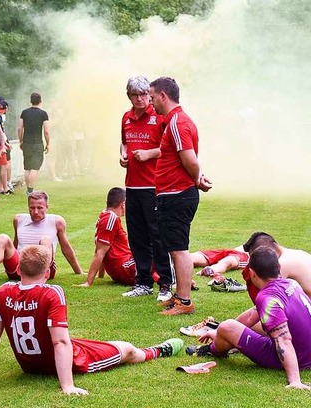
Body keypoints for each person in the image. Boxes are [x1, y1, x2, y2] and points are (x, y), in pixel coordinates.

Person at [0, 245, 184, 395]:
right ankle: (157, 351)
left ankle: (136, 349)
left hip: (30, 365)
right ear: (48, 273)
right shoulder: (52, 292)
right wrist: (67, 386)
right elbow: (60, 343)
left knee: (87, 342)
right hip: (64, 361)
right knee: (126, 349)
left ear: (18, 270)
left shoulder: (1, 293)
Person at [188, 247, 311, 390]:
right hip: (306, 350)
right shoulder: (291, 284)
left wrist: (295, 380)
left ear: (252, 273)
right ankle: (222, 338)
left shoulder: (267, 298)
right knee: (231, 327)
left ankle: (213, 349)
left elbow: (283, 339)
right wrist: (219, 333)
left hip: (299, 358)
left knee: (227, 326)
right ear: (278, 267)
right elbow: (252, 315)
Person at [149, 77, 212, 316]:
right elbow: (187, 161)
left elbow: (190, 160)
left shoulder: (176, 122)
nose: (152, 102)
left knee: (179, 249)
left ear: (163, 96)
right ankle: (179, 295)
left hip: (177, 195)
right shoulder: (176, 121)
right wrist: (197, 179)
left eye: (153, 97)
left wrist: (196, 179)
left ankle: (184, 302)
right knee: (175, 247)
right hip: (174, 194)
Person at [119, 76, 174, 302]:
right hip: (132, 185)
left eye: (143, 94)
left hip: (154, 184)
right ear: (129, 96)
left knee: (157, 235)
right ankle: (142, 282)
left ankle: (165, 283)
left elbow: (170, 148)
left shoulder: (159, 116)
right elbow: (124, 142)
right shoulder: (126, 118)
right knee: (137, 236)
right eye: (135, 95)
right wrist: (122, 155)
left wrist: (149, 154)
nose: (140, 99)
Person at [0, 191, 82, 287]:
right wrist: (9, 260)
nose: (36, 212)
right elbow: (15, 245)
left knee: (46, 240)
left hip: (43, 269)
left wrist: (78, 271)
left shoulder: (56, 221)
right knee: (2, 238)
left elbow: (66, 248)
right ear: (28, 207)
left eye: (40, 208)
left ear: (47, 207)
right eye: (32, 208)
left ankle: (39, 279)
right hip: (20, 267)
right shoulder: (19, 219)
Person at [75, 188, 158, 288]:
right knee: (161, 247)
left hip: (123, 267)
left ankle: (162, 277)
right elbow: (100, 252)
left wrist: (101, 276)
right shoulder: (111, 219)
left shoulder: (105, 216)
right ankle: (170, 281)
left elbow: (103, 249)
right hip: (125, 268)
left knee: (151, 251)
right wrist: (88, 282)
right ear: (123, 204)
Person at [18, 92, 50, 194]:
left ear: (30, 101)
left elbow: (20, 128)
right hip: (37, 143)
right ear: (40, 101)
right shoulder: (43, 113)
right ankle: (31, 190)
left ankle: (29, 189)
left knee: (27, 167)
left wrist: (21, 140)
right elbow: (46, 131)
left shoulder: (24, 112)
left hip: (26, 142)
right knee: (34, 168)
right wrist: (48, 143)